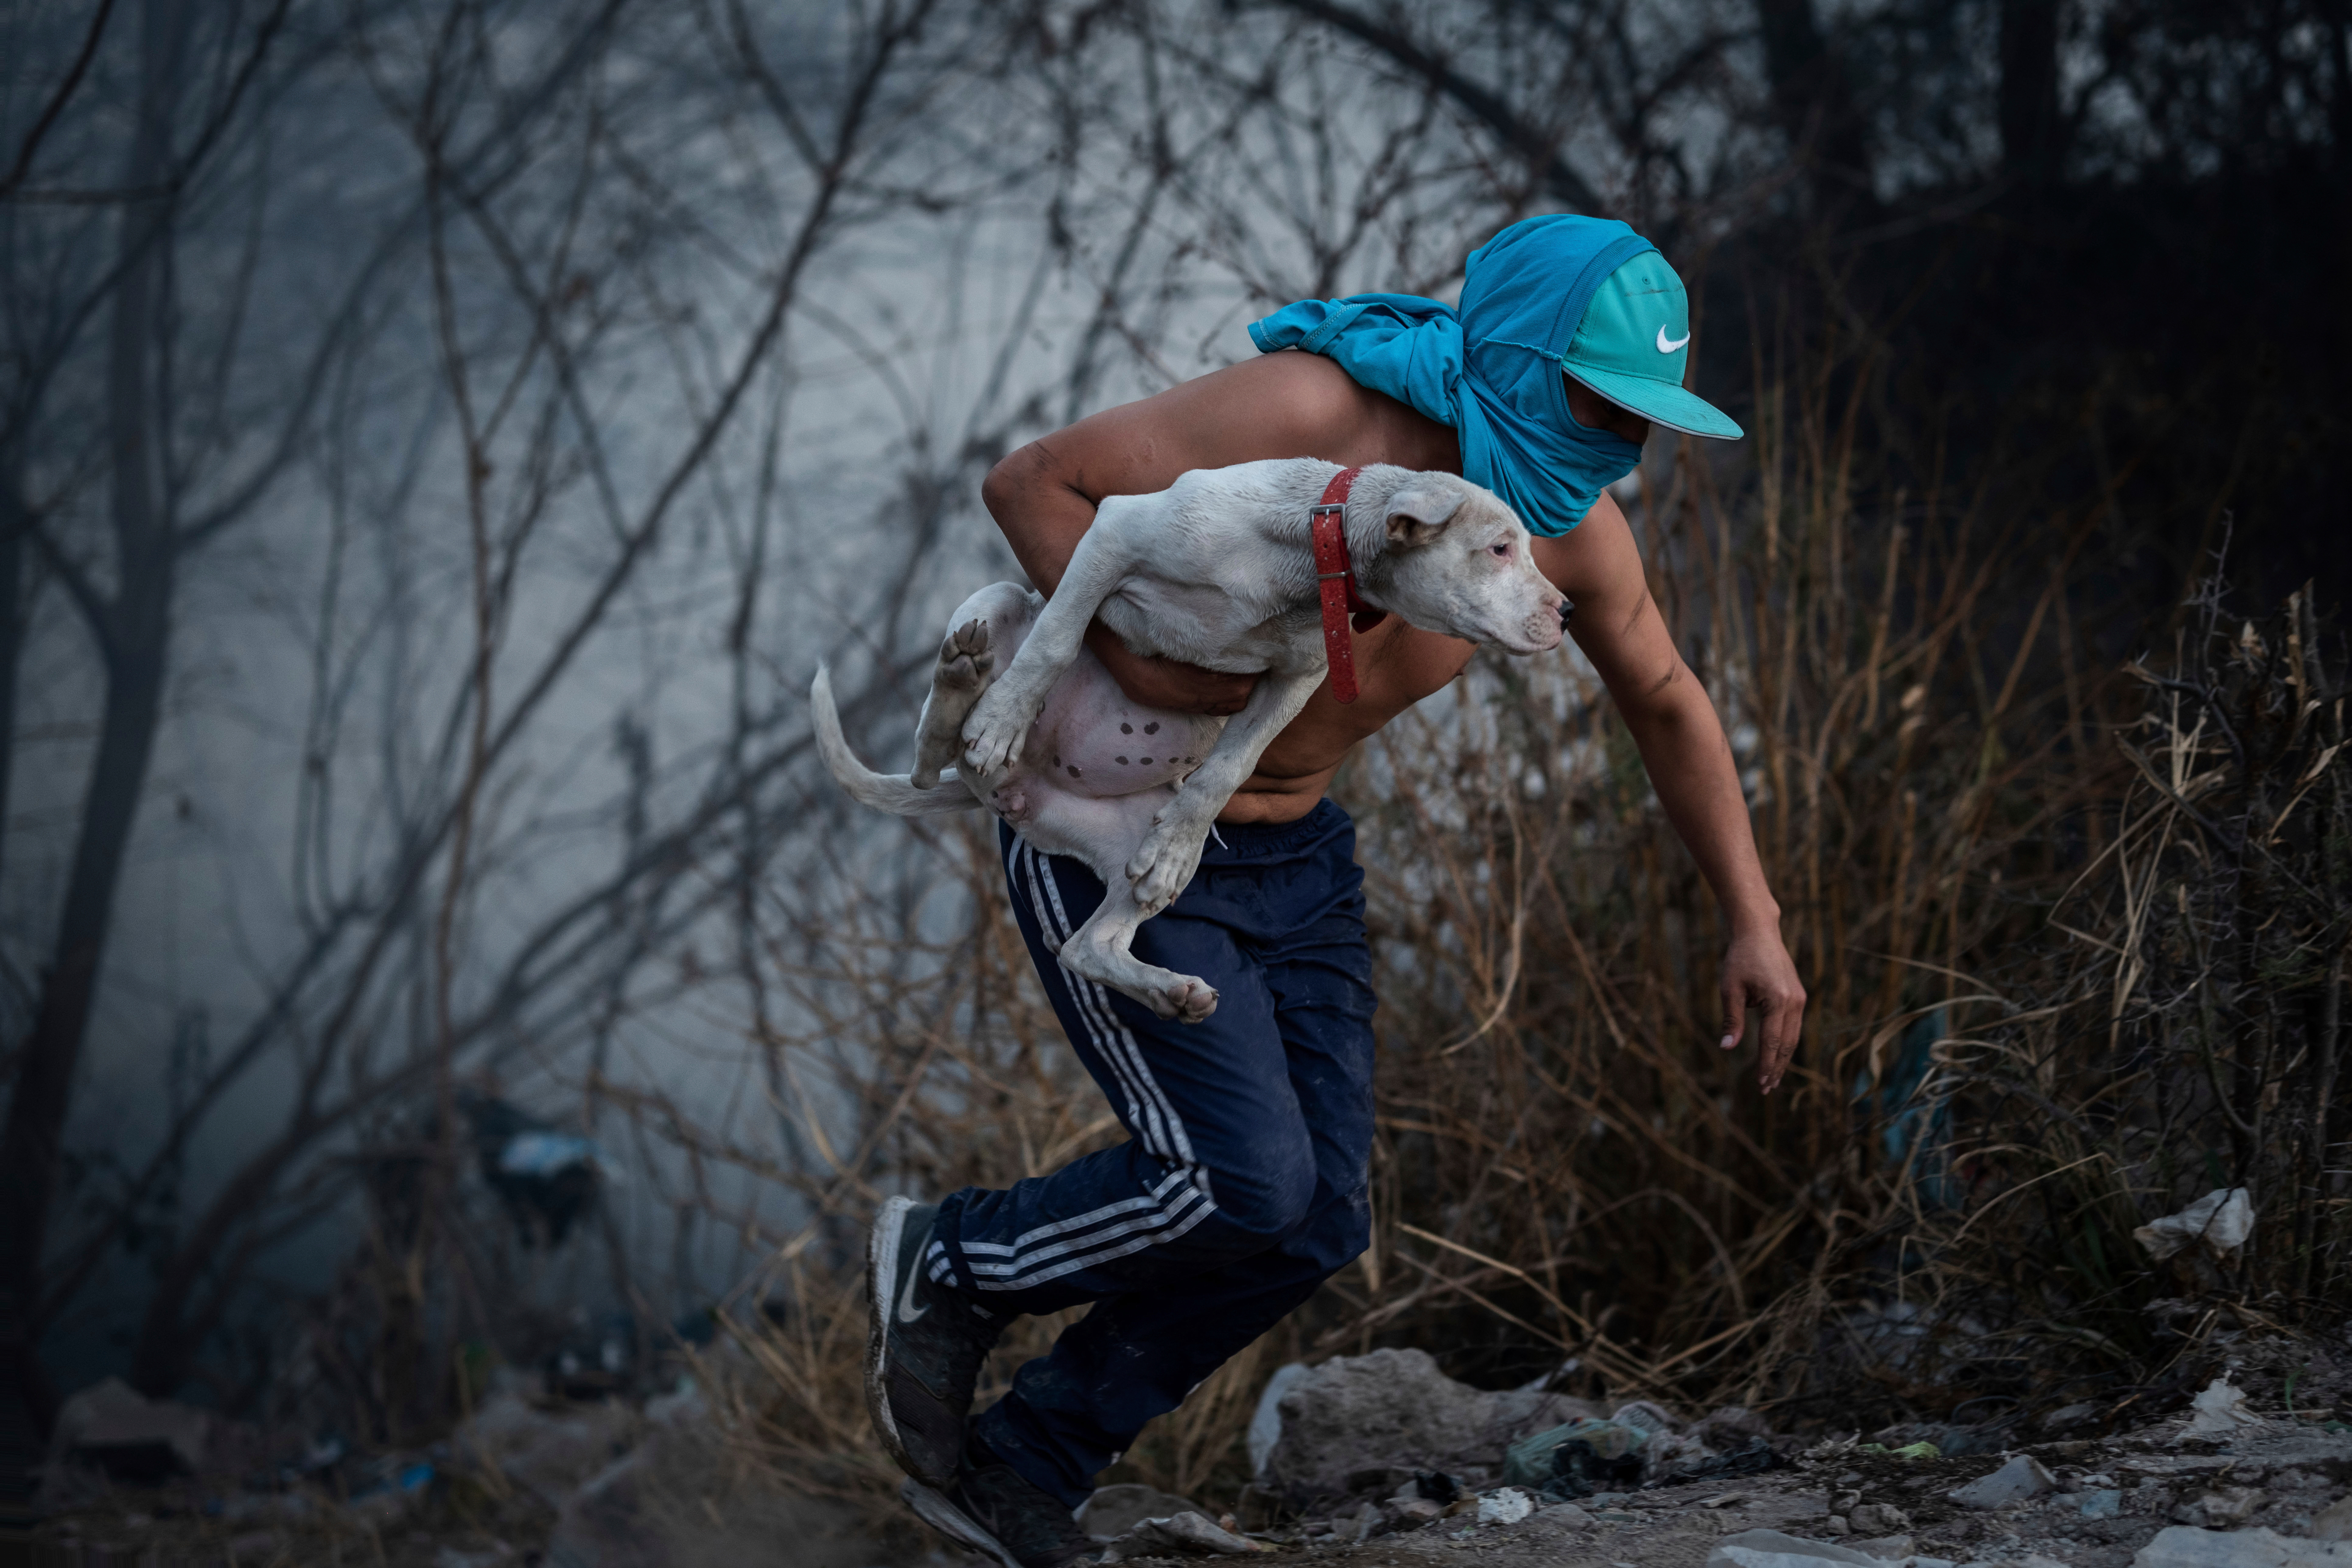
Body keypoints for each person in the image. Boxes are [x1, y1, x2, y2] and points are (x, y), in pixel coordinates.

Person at [868, 214, 1807, 1568]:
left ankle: (1022, 1466)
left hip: (1297, 854)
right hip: (1126, 832)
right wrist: (1171, 679)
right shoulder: (1318, 413)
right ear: (1523, 360)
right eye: (1596, 404)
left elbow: (1662, 693)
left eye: (1642, 422)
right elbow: (1036, 488)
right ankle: (952, 1263)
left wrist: (1755, 917)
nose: (1616, 447)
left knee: (1315, 1220)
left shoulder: (1561, 535)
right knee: (1235, 1182)